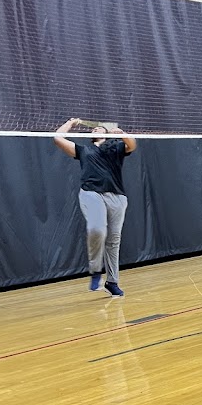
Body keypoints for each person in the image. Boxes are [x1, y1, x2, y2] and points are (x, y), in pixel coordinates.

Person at [54, 118, 137, 296]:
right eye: (93, 130)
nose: (96, 130)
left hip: (117, 197)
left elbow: (132, 145)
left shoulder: (116, 148)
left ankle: (112, 282)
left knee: (113, 241)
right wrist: (70, 123)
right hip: (91, 193)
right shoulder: (84, 150)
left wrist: (122, 134)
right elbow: (58, 139)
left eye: (100, 128)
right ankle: (95, 269)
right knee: (97, 229)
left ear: (107, 133)